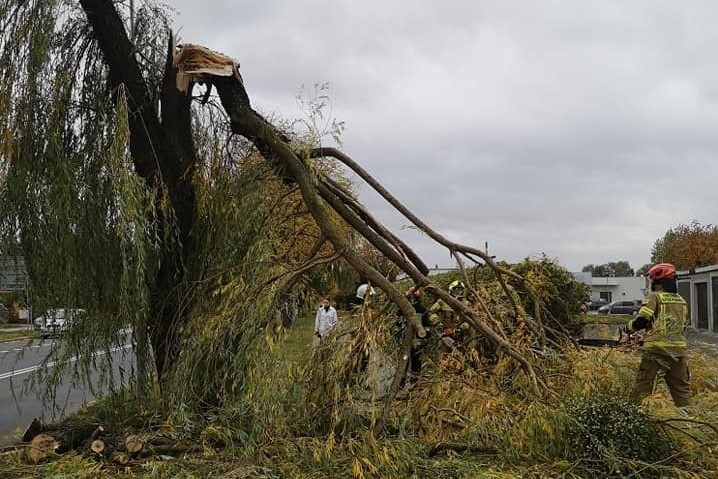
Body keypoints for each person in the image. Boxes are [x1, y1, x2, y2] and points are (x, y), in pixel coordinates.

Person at [625, 263, 692, 407]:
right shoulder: (681, 301)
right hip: (679, 353)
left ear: (657, 282)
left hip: (656, 352)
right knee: (682, 391)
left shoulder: (654, 297)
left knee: (642, 388)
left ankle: (636, 420)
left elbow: (641, 321)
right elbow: (681, 326)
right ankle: (690, 422)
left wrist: (628, 328)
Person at [394, 286, 428, 389]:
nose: (412, 300)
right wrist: (397, 333)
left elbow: (427, 325)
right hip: (404, 340)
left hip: (417, 341)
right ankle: (400, 383)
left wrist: (424, 337)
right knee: (403, 362)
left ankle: (414, 383)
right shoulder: (402, 309)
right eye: (410, 297)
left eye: (414, 297)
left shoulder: (422, 310)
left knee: (416, 362)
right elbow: (397, 323)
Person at [427, 280, 472, 356]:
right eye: (456, 289)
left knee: (461, 356)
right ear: (451, 290)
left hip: (459, 336)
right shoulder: (442, 301)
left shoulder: (466, 304)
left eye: (460, 290)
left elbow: (470, 320)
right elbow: (430, 312)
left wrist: (461, 328)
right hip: (445, 333)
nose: (458, 292)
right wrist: (439, 324)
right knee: (444, 356)